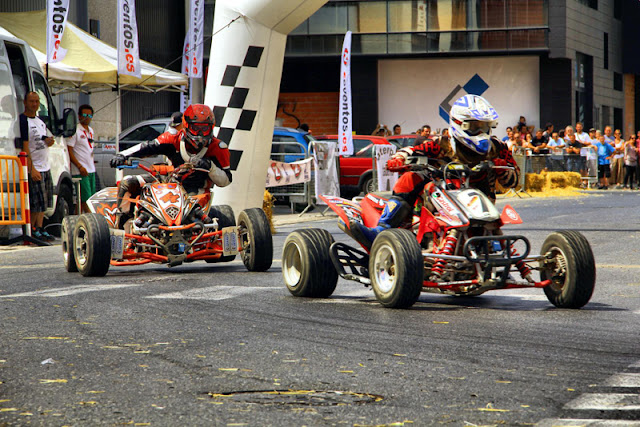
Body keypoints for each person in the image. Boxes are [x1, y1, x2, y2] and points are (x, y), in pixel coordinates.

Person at [349, 95, 519, 249]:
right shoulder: (443, 144)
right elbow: (413, 150)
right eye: (475, 126)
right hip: (444, 197)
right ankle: (382, 229)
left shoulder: (498, 148)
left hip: (482, 205)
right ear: (459, 124)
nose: (481, 132)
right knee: (410, 178)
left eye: (485, 126)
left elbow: (514, 180)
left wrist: (503, 169)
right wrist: (399, 158)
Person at [109, 104, 232, 228]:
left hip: (196, 190)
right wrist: (122, 155)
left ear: (211, 128)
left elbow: (225, 181)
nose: (200, 133)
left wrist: (210, 167)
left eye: (204, 128)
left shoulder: (218, 148)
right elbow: (147, 146)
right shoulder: (173, 139)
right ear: (186, 126)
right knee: (127, 182)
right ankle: (122, 223)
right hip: (167, 182)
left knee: (190, 211)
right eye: (196, 128)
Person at [20, 91, 55, 241]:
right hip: (35, 167)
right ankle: (33, 229)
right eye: (31, 101)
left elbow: (44, 138)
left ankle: (40, 227)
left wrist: (49, 141)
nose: (34, 104)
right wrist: (31, 168)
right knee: (36, 202)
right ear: (25, 102)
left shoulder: (40, 121)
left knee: (44, 202)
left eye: (36, 101)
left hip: (46, 166)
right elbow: (25, 147)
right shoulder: (23, 121)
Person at [67, 104, 97, 214]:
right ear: (79, 116)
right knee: (85, 199)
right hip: (80, 171)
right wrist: (79, 166)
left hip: (91, 169)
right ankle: (91, 219)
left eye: (90, 115)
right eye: (84, 115)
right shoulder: (75, 130)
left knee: (89, 198)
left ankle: (77, 219)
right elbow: (69, 150)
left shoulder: (91, 130)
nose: (87, 118)